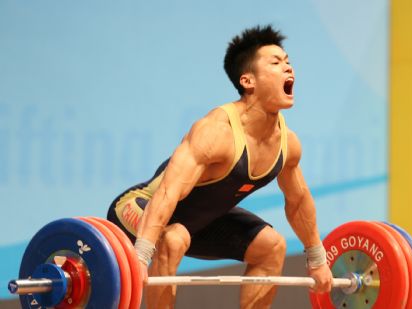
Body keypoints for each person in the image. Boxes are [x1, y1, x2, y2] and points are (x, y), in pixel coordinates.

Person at [107, 25, 332, 309]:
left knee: (272, 247)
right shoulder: (215, 132)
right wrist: (140, 256)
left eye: (288, 62)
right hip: (141, 208)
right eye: (276, 63)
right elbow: (167, 193)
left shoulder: (288, 144)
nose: (289, 69)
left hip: (199, 224)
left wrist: (317, 260)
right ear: (248, 81)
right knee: (174, 238)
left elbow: (298, 202)